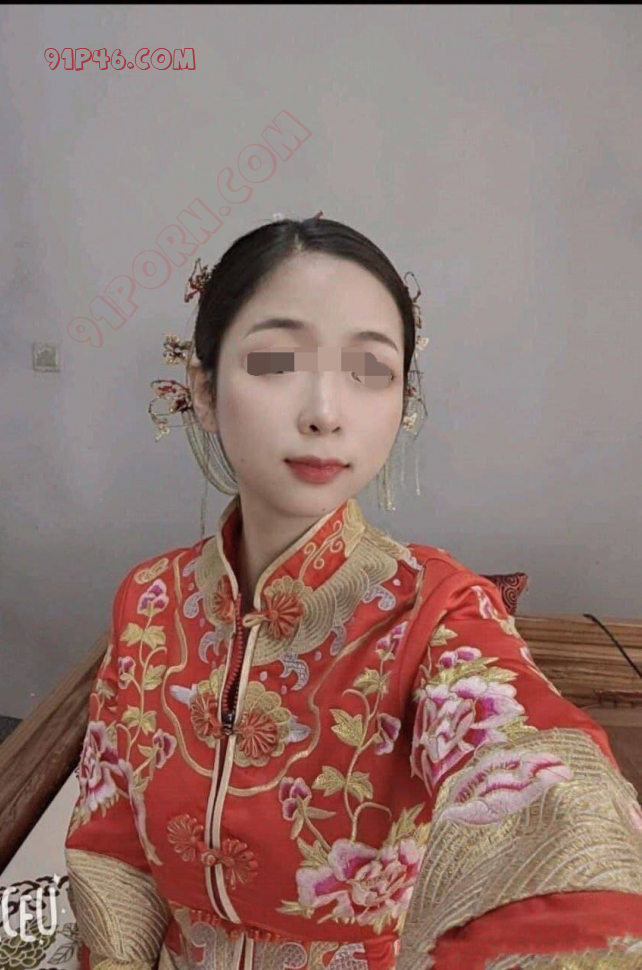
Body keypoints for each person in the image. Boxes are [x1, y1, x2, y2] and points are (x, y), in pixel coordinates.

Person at [64, 215, 642, 970]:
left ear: (403, 402)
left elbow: (546, 795)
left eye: (370, 370)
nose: (325, 413)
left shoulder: (436, 615)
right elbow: (111, 844)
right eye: (275, 361)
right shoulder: (149, 602)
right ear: (203, 391)